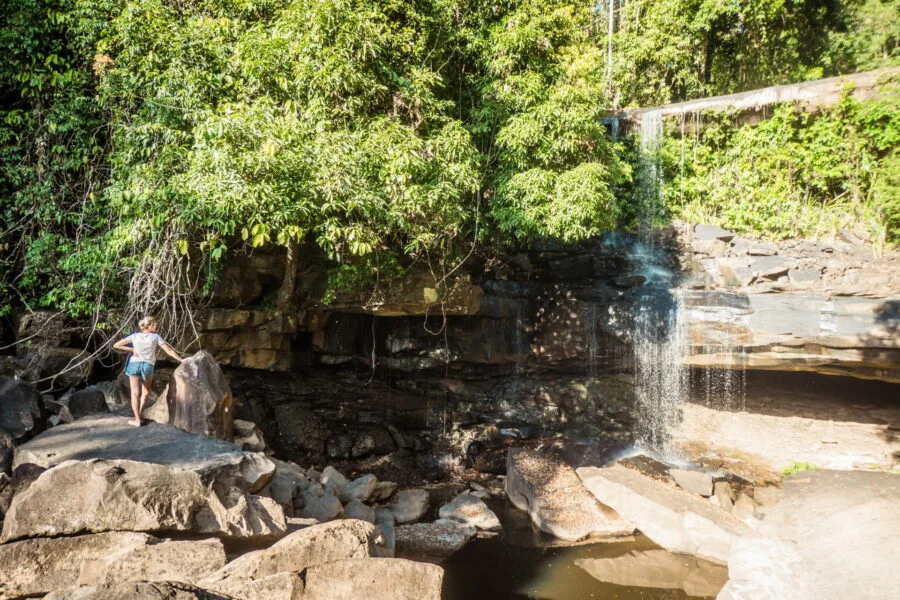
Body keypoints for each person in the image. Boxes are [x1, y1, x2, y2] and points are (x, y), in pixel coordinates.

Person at [113, 316, 183, 426]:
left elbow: (116, 345)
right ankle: (140, 414)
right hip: (148, 366)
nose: (156, 326)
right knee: (145, 392)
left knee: (135, 393)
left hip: (134, 364)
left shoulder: (134, 336)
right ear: (149, 325)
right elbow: (168, 350)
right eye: (154, 324)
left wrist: (131, 349)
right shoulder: (155, 337)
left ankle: (137, 420)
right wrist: (181, 360)